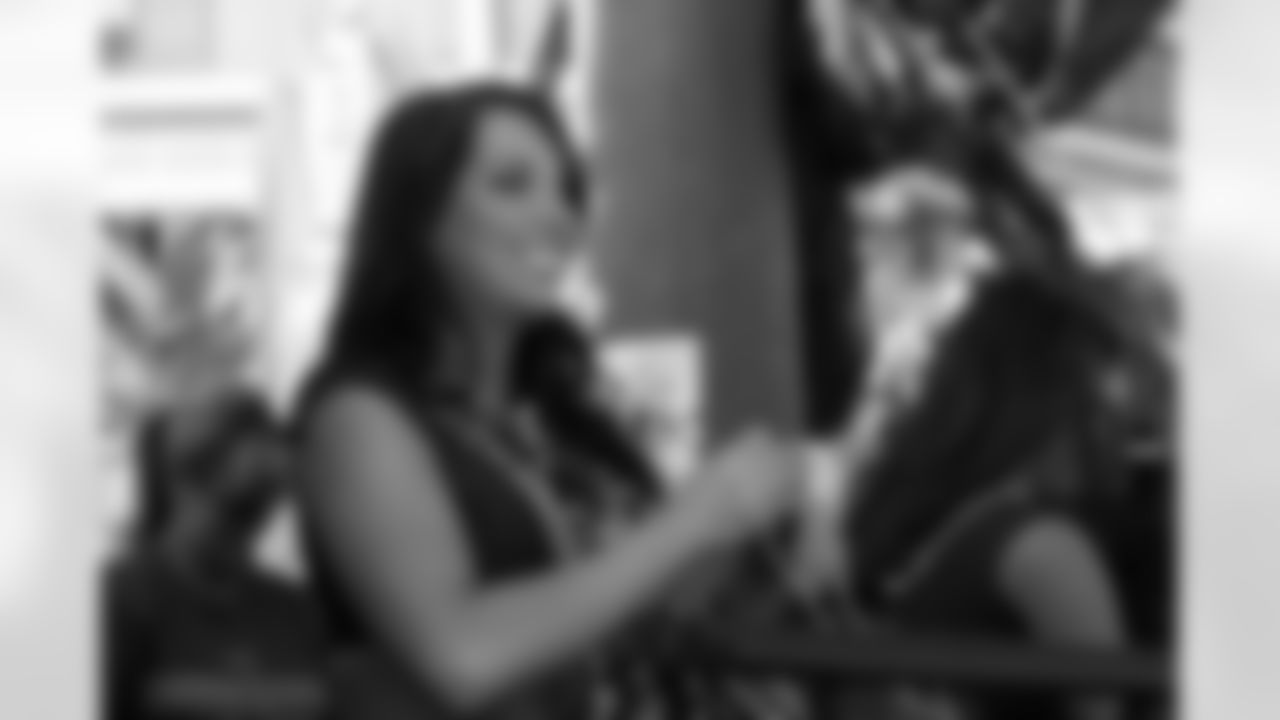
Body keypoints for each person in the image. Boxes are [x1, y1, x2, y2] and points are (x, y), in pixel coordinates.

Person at [292, 84, 804, 720]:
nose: (558, 216)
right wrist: (693, 520)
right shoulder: (357, 417)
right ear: (418, 220)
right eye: (512, 185)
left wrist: (769, 529)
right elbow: (460, 654)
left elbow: (629, 602)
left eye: (567, 191)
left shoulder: (559, 420)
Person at [793, 160, 1128, 720]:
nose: (1116, 418)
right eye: (1104, 395)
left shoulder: (909, 517)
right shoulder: (1043, 550)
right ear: (1060, 402)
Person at [105, 391, 328, 720]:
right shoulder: (122, 600)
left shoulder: (296, 611)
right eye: (231, 507)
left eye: (258, 507)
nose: (236, 532)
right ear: (178, 481)